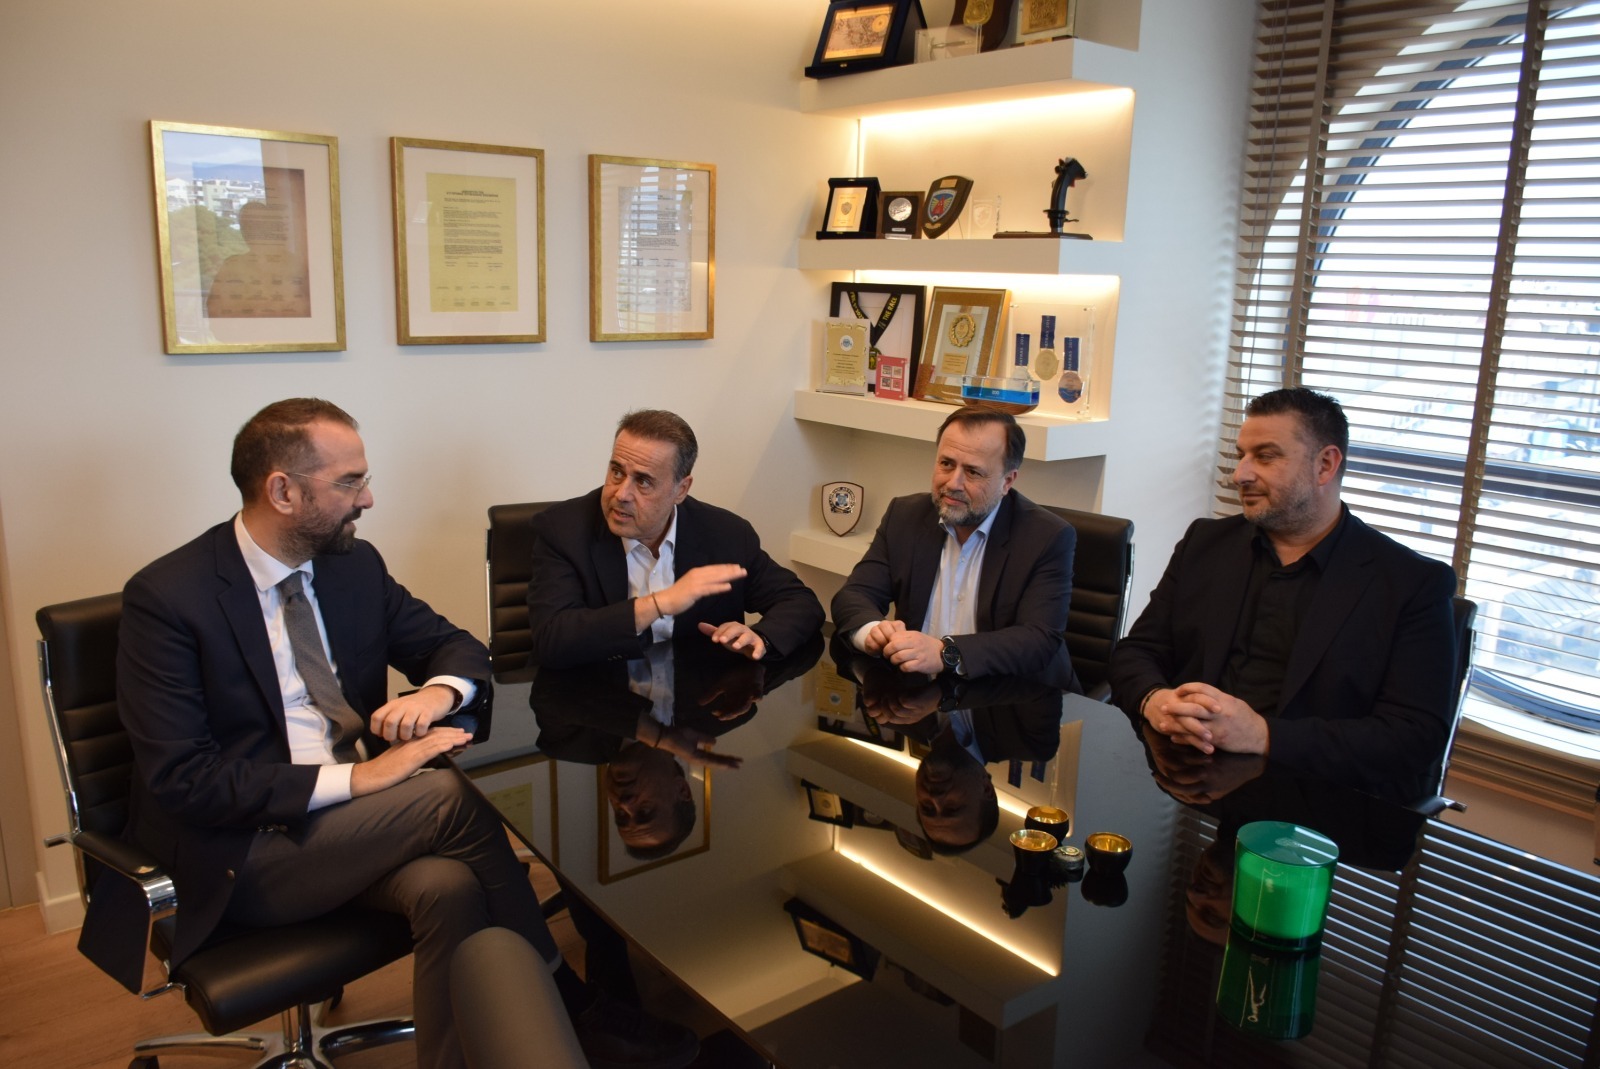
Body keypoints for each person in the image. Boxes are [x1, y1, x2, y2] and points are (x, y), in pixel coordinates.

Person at [104, 398, 695, 1069]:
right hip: (242, 849)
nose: (369, 498)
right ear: (283, 491)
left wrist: (439, 691)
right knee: (450, 796)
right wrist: (360, 777)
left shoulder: (352, 566)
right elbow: (185, 780)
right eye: (350, 482)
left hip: (356, 827)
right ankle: (575, 1008)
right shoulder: (170, 598)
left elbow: (457, 645)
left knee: (450, 888)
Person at [1109, 387, 1458, 794]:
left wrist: (1263, 734)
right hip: (1185, 784)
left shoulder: (1409, 583)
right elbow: (1137, 651)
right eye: (1241, 455)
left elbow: (1414, 736)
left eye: (1265, 456)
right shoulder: (1206, 543)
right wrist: (1156, 700)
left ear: (1325, 465)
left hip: (1315, 801)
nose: (1240, 474)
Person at [527, 409, 823, 668]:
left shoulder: (726, 534)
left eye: (643, 481)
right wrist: (658, 604)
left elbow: (800, 603)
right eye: (617, 472)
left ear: (681, 490)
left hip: (697, 701)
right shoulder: (563, 530)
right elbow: (553, 640)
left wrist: (761, 637)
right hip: (595, 700)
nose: (622, 494)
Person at [830, 408, 1078, 686]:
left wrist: (945, 653)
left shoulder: (1047, 536)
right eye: (946, 464)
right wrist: (874, 631)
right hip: (923, 695)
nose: (953, 483)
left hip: (1013, 695)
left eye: (973, 472)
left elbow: (1038, 639)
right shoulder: (905, 515)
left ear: (1007, 481)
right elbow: (855, 595)